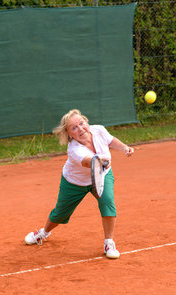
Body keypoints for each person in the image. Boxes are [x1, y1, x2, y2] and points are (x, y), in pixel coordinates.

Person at [25, 109, 134, 259]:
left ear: (86, 121)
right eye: (74, 128)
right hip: (74, 182)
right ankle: (43, 232)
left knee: (107, 202)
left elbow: (110, 140)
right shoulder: (74, 150)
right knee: (60, 213)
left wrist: (124, 148)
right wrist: (100, 161)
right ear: (69, 134)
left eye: (81, 123)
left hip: (102, 176)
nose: (80, 129)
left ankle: (109, 242)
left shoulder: (99, 130)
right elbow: (89, 162)